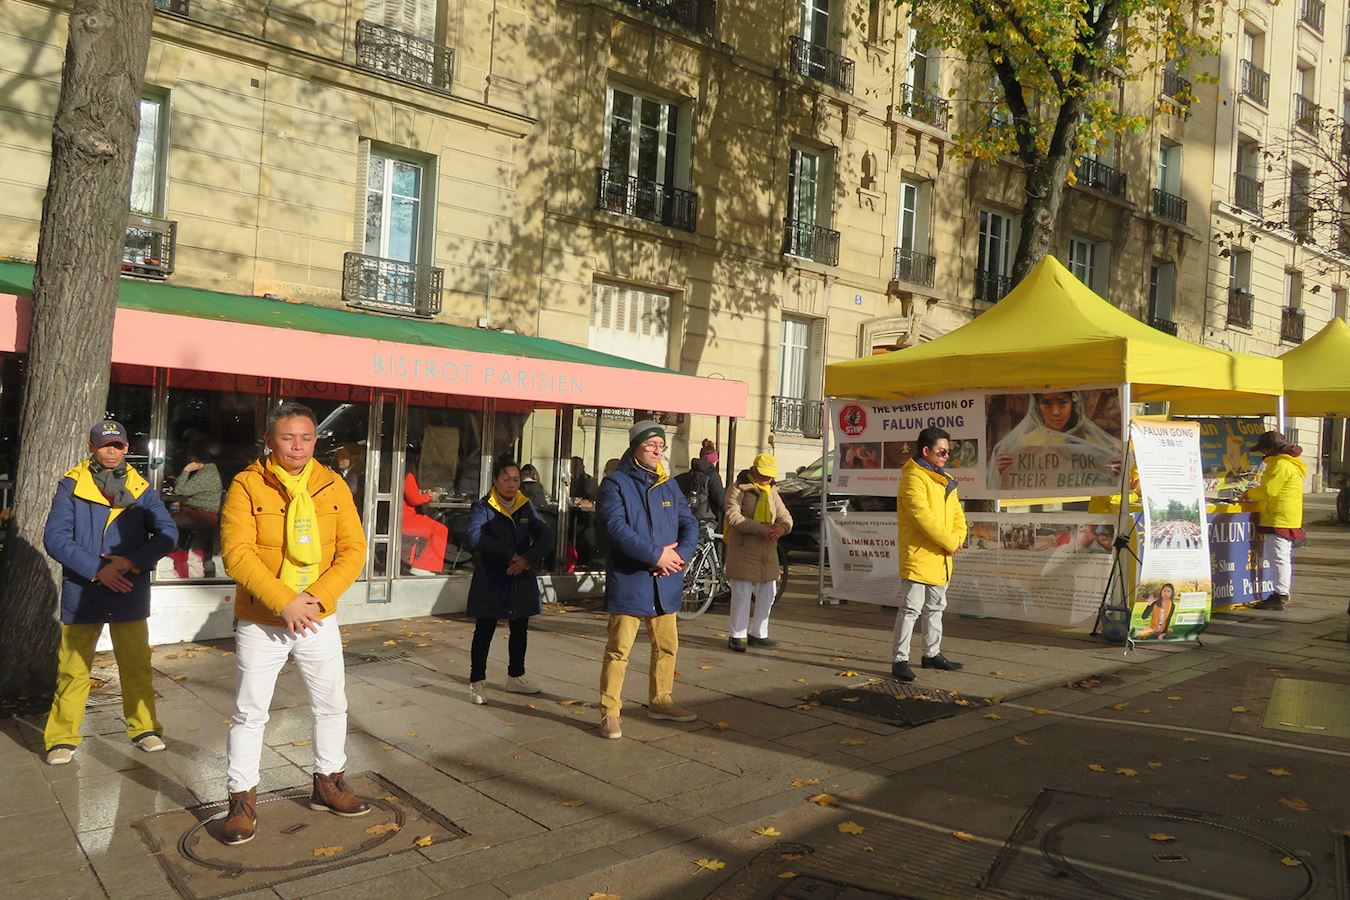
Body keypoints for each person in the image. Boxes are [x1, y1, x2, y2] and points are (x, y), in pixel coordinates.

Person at [218, 402, 369, 845]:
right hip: (263, 617)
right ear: (270, 440)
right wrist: (284, 600)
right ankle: (242, 800)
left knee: (332, 704)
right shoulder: (247, 485)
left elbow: (352, 551)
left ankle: (328, 783)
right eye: (288, 437)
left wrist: (315, 599)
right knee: (250, 712)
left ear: (315, 440)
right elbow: (238, 554)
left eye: (306, 437)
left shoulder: (332, 484)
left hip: (318, 616)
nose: (298, 445)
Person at [41, 420, 178, 765]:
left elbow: (167, 533)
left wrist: (130, 561)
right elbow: (55, 538)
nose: (112, 451)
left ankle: (144, 728)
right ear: (91, 448)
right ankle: (61, 737)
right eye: (105, 445)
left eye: (118, 445)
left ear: (127, 448)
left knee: (136, 665)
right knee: (72, 669)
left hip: (128, 587)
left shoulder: (141, 487)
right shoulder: (71, 485)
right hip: (84, 589)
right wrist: (97, 569)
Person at [595, 420, 700, 739]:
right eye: (651, 445)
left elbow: (689, 523)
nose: (658, 451)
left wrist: (679, 555)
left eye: (661, 446)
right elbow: (616, 529)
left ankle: (661, 700)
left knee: (667, 646)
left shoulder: (668, 484)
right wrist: (656, 555)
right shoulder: (615, 484)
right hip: (632, 578)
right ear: (636, 447)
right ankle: (610, 711)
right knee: (618, 650)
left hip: (666, 579)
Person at [464, 460, 553, 704]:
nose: (511, 484)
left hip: (520, 576)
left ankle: (516, 675)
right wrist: (509, 554)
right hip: (492, 577)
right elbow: (474, 536)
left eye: (515, 479)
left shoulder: (526, 506)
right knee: (485, 630)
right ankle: (477, 680)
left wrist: (527, 560)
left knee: (520, 628)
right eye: (506, 479)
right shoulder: (483, 507)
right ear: (495, 480)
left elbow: (545, 534)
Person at [891, 426, 967, 682]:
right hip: (920, 553)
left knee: (936, 608)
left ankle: (931, 654)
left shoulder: (945, 479)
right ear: (926, 451)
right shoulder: (913, 477)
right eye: (942, 451)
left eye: (948, 451)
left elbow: (958, 516)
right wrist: (950, 541)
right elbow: (922, 518)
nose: (946, 456)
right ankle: (900, 659)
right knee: (911, 609)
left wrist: (956, 539)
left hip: (941, 555)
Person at [723, 453, 793, 652]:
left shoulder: (772, 490)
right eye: (763, 475)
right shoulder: (737, 489)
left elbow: (784, 514)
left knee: (768, 592)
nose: (766, 479)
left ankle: (759, 633)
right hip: (744, 548)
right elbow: (733, 517)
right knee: (742, 593)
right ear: (754, 470)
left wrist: (783, 527)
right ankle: (737, 635)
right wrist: (761, 528)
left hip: (767, 551)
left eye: (769, 476)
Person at [989, 391, 1120, 490]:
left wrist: (1118, 470)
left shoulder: (1089, 442)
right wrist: (1000, 471)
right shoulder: (1024, 443)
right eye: (1047, 403)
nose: (1055, 412)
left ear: (1073, 403)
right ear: (1037, 406)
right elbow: (1004, 486)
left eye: (1062, 402)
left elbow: (1103, 481)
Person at [1242, 430, 1307, 611]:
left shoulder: (1279, 464)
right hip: (1285, 516)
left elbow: (1268, 490)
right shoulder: (1288, 463)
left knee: (1278, 557)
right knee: (1280, 556)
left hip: (1279, 517)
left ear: (1269, 449)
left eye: (1263, 450)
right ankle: (1280, 593)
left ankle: (1280, 595)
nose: (1262, 454)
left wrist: (1248, 494)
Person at [168, 442, 223, 578]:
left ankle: (180, 560)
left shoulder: (207, 473)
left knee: (168, 520)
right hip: (204, 515)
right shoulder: (210, 471)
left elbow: (180, 491)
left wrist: (186, 470)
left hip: (202, 516)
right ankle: (203, 564)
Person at [402, 454, 449, 576]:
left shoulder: (388, 471)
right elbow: (415, 499)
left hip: (396, 517)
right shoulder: (406, 474)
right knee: (440, 530)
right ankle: (423, 565)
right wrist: (429, 496)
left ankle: (415, 562)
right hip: (405, 518)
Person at [674, 439, 725, 525]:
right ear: (714, 461)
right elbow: (721, 501)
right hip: (704, 521)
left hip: (683, 520)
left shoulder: (684, 476)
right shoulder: (713, 476)